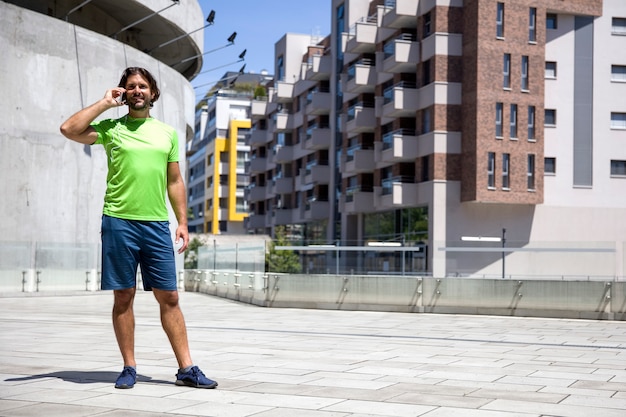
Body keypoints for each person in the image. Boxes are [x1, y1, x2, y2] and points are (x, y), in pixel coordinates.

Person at [60, 67, 217, 390]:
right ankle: (129, 367)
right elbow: (68, 129)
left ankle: (187, 368)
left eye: (142, 86)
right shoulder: (111, 128)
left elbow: (175, 181)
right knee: (123, 296)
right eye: (130, 86)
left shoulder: (167, 133)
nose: (137, 90)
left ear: (153, 93)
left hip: (156, 224)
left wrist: (183, 222)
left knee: (169, 296)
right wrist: (105, 103)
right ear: (123, 92)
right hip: (118, 221)